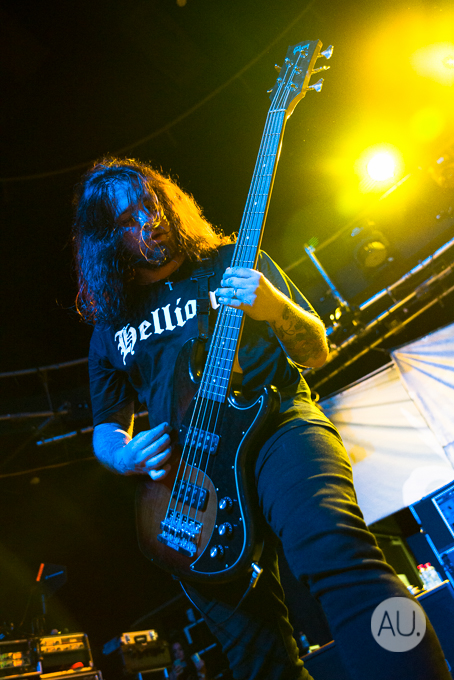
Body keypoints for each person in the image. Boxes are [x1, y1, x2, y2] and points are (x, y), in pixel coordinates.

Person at [72, 156, 451, 680]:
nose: (148, 221)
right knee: (257, 659)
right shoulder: (110, 327)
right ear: (105, 242)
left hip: (277, 431)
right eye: (126, 221)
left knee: (341, 560)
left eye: (150, 204)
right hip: (188, 482)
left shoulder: (232, 260)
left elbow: (315, 350)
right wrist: (125, 456)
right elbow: (107, 428)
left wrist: (275, 308)